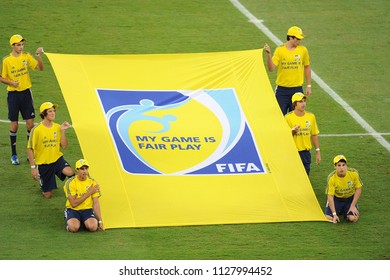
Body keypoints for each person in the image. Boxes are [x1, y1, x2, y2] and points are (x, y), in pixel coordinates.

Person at [0, 34, 44, 165]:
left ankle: (29, 154)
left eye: (22, 44)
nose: (21, 47)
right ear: (12, 45)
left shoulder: (26, 56)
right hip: (13, 95)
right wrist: (11, 83)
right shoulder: (7, 60)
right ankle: (14, 155)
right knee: (14, 124)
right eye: (18, 44)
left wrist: (38, 55)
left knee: (30, 124)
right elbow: (1, 78)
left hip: (26, 93)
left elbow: (40, 68)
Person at [27, 102, 74, 198]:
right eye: (50, 111)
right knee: (48, 195)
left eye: (54, 111)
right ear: (44, 114)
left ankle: (73, 191)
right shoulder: (36, 130)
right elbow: (30, 149)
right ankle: (43, 183)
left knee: (70, 173)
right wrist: (33, 168)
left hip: (57, 159)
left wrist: (63, 131)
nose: (53, 113)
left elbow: (64, 146)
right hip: (44, 164)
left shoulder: (57, 127)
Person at [264, 26, 312, 115]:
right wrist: (269, 55)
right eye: (297, 39)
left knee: (296, 117)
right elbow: (271, 68)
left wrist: (309, 85)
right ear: (290, 37)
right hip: (282, 91)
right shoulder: (280, 50)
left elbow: (307, 66)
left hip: (297, 89)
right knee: (280, 118)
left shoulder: (303, 50)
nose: (299, 41)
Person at [64, 159, 104, 233]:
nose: (84, 171)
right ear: (77, 170)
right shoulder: (70, 183)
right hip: (73, 210)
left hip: (87, 210)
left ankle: (83, 222)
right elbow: (73, 204)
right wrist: (89, 193)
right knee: (74, 228)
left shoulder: (93, 182)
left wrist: (100, 221)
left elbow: (96, 203)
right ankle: (72, 222)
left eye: (86, 168)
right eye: (82, 169)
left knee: (93, 227)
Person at [285, 92, 321, 175]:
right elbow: (284, 138)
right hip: (293, 153)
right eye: (300, 102)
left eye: (304, 101)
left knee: (305, 176)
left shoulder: (311, 117)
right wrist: (293, 131)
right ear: (295, 104)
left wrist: (317, 151)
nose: (303, 104)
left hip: (305, 153)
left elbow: (314, 134)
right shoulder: (288, 118)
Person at [325, 155, 363, 223]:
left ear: (346, 165)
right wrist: (334, 214)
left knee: (353, 218)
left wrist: (353, 205)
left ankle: (346, 210)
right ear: (335, 166)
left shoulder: (354, 173)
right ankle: (338, 211)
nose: (341, 168)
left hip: (349, 198)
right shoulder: (331, 178)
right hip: (336, 199)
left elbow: (358, 189)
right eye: (339, 165)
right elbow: (330, 196)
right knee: (328, 217)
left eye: (343, 165)